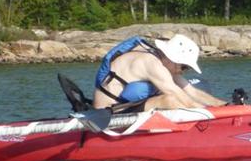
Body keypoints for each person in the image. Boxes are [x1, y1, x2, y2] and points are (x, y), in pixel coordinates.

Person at [93, 34, 226, 111]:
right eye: (184, 67)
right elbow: (180, 97)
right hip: (108, 110)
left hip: (126, 106)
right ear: (172, 58)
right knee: (169, 100)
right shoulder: (151, 64)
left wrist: (223, 105)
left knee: (175, 97)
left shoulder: (164, 63)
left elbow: (192, 91)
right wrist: (210, 114)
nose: (183, 71)